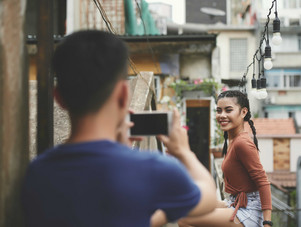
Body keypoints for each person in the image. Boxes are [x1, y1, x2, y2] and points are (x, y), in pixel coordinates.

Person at [22, 30, 216, 227]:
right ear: (124, 94)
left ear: (58, 98)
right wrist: (183, 151)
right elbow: (208, 197)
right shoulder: (153, 169)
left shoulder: (37, 173)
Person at [178, 90, 272, 227]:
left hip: (248, 210)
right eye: (219, 111)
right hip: (234, 202)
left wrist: (267, 223)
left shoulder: (242, 143)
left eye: (228, 110)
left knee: (184, 220)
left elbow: (263, 182)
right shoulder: (232, 140)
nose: (222, 115)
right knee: (189, 205)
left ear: (243, 112)